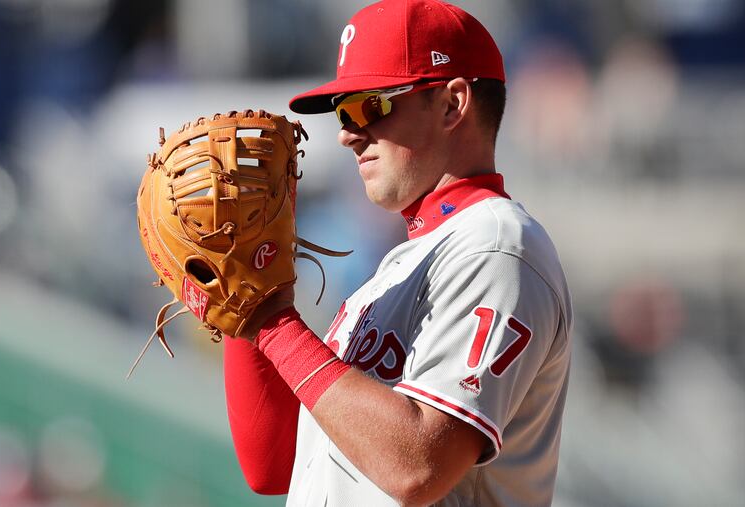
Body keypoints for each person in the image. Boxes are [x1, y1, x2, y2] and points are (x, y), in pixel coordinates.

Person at [223, 1, 573, 505]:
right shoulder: (393, 273)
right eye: (344, 112)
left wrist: (279, 328)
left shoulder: (497, 247)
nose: (347, 133)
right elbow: (273, 465)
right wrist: (250, 307)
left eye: (372, 105)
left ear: (453, 104)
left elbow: (418, 466)